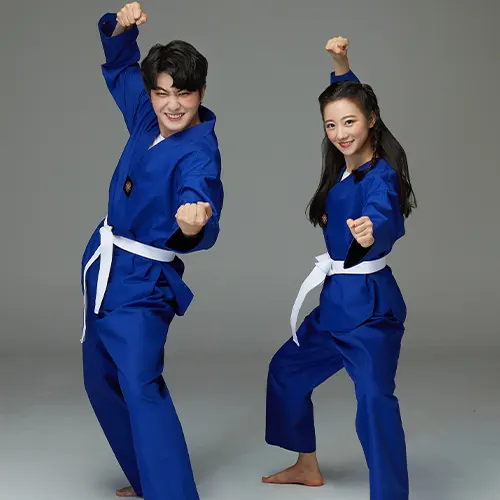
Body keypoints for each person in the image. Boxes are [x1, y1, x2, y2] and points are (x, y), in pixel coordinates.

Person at [262, 37, 416, 500]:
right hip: (335, 306)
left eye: (350, 122)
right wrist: (341, 64)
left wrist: (372, 231)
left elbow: (384, 213)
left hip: (369, 312)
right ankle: (306, 466)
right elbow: (350, 97)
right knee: (286, 371)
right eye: (331, 124)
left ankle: (390, 494)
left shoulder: (381, 176)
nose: (340, 132)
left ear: (372, 120)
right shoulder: (344, 165)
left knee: (374, 402)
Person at [80, 3, 223, 499]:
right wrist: (120, 28)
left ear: (201, 92)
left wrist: (192, 223)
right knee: (100, 378)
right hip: (107, 265)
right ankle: (146, 481)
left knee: (140, 383)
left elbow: (200, 199)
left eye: (183, 93)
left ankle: (173, 492)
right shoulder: (146, 117)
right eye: (162, 93)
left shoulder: (199, 152)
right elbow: (121, 66)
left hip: (144, 283)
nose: (172, 105)